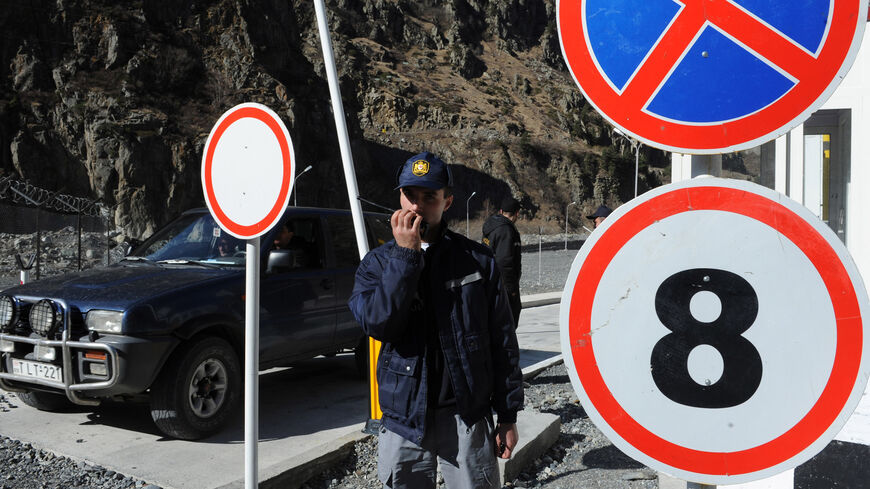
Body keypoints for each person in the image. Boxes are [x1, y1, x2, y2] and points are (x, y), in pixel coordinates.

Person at [348, 151, 523, 489]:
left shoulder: (477, 261)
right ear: (399, 196)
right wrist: (405, 257)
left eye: (429, 197)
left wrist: (507, 415)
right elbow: (379, 325)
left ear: (448, 202)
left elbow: (503, 340)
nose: (416, 206)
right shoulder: (378, 264)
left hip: (466, 417)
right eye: (409, 195)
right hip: (402, 420)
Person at [481, 196, 522, 329]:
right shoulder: (506, 230)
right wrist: (512, 288)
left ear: (501, 211)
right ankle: (505, 349)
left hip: (489, 280)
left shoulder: (492, 226)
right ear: (517, 213)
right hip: (503, 284)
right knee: (509, 318)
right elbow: (505, 261)